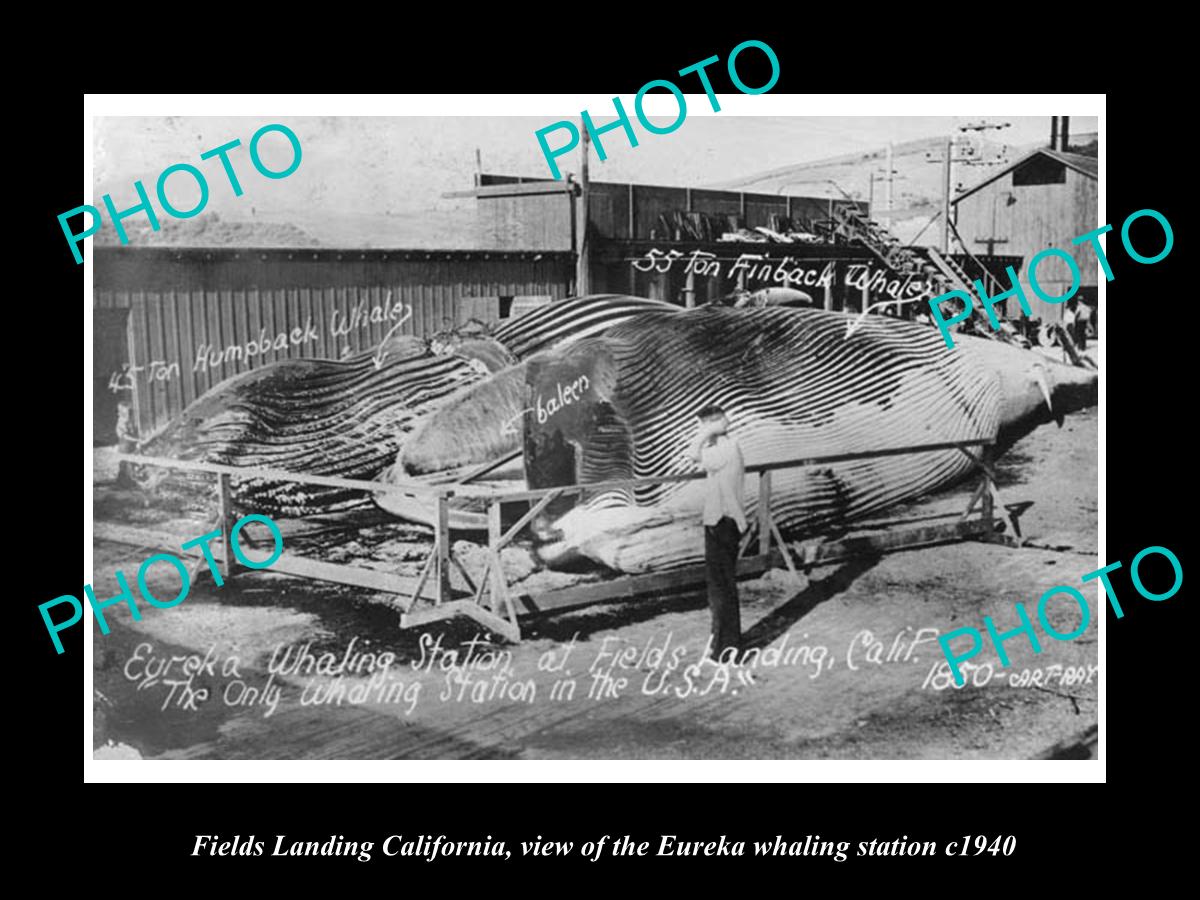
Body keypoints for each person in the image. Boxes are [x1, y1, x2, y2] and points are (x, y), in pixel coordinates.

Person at [688, 404, 748, 664]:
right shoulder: (722, 447)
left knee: (722, 589)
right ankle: (721, 647)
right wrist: (712, 431)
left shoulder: (726, 448)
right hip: (719, 521)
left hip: (723, 522)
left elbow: (692, 454)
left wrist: (708, 432)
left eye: (705, 424)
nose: (701, 430)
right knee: (719, 588)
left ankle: (729, 652)